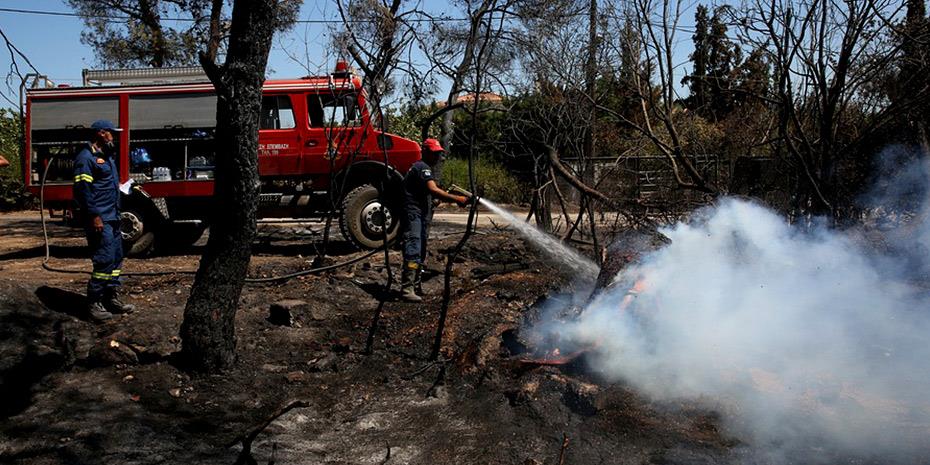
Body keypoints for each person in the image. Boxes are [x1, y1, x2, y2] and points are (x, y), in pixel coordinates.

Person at [73, 120, 135, 322]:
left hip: (113, 215)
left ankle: (111, 298)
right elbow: (83, 191)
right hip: (100, 218)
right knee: (105, 259)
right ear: (100, 133)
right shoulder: (86, 158)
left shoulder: (106, 156)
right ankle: (94, 302)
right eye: (111, 133)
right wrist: (94, 216)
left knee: (116, 258)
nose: (113, 136)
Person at [400, 138, 470, 302]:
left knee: (421, 248)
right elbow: (433, 189)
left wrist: (437, 200)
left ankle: (415, 286)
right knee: (414, 247)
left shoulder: (419, 168)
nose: (437, 157)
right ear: (425, 152)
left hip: (417, 214)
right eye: (434, 153)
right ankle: (407, 289)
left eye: (438, 153)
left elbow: (425, 192)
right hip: (413, 215)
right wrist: (457, 199)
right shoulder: (422, 168)